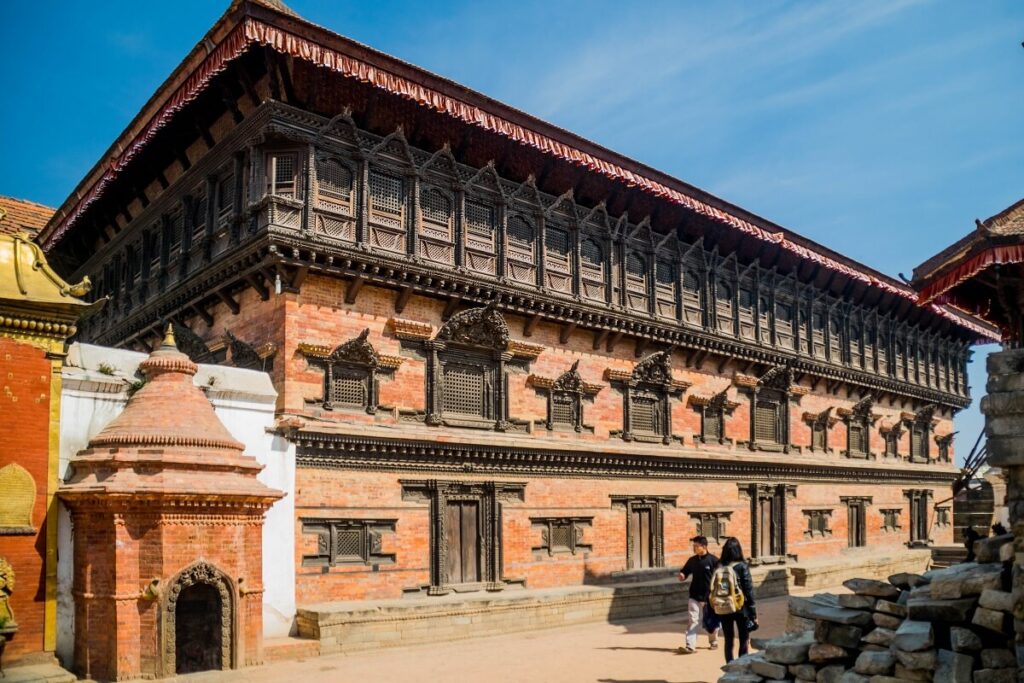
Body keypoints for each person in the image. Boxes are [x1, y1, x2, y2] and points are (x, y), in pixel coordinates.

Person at [710, 537, 757, 663]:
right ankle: (742, 665)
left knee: (728, 639)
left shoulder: (719, 565)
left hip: (723, 605)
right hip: (741, 606)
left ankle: (729, 666)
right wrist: (753, 613)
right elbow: (749, 590)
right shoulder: (742, 566)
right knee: (743, 637)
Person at [677, 535, 720, 654]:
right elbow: (685, 571)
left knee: (710, 620)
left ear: (704, 546)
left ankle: (713, 641)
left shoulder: (714, 560)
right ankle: (690, 646)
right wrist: (682, 576)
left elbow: (720, 578)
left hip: (710, 597)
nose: (694, 548)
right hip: (694, 595)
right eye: (693, 546)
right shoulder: (692, 561)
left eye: (696, 546)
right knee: (693, 620)